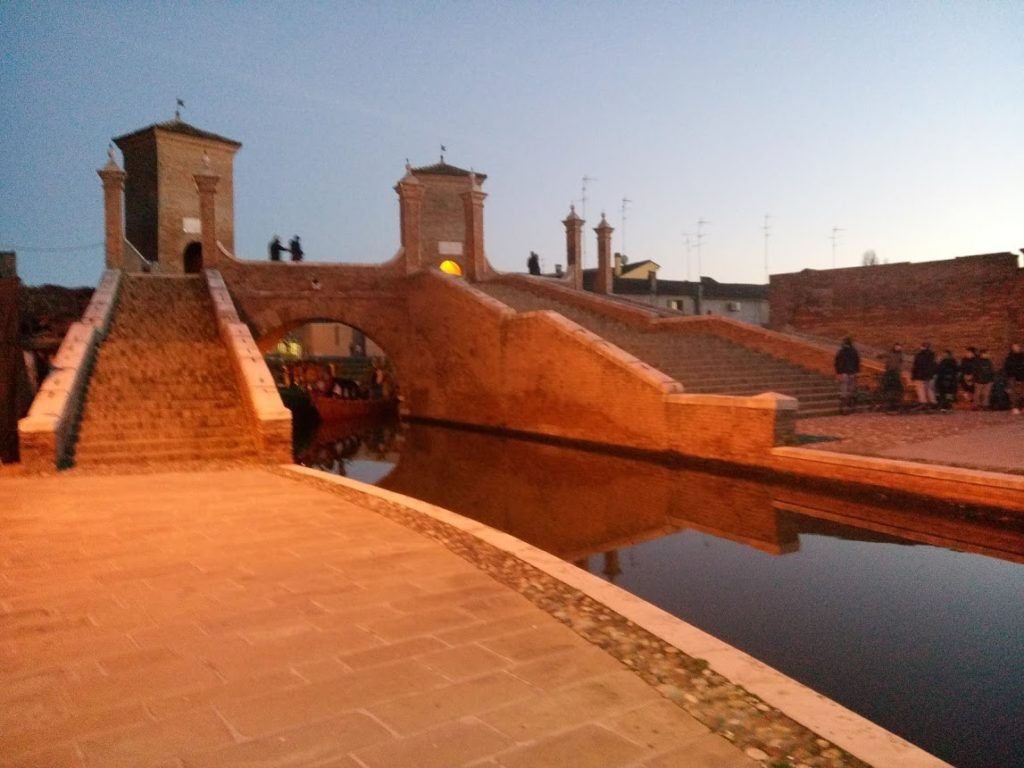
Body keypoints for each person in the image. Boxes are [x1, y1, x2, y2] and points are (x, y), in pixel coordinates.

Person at [834, 337, 860, 415]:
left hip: (844, 371)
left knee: (844, 386)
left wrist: (838, 372)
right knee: (851, 388)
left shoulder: (841, 351)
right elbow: (857, 361)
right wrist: (856, 371)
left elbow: (837, 361)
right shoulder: (854, 351)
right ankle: (850, 401)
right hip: (852, 372)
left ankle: (844, 399)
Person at [910, 342, 937, 409]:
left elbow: (916, 366)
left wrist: (913, 376)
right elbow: (934, 365)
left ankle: (923, 402)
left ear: (922, 347)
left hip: (920, 375)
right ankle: (933, 402)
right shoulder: (932, 355)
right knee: (930, 389)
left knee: (920, 389)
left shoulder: (919, 355)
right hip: (929, 375)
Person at [881, 343, 904, 413]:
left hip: (896, 373)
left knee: (895, 389)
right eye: (897, 347)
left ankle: (894, 404)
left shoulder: (900, 355)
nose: (898, 348)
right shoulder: (891, 353)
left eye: (899, 347)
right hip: (890, 372)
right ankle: (890, 405)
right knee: (890, 388)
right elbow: (885, 356)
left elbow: (899, 362)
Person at [1004, 343, 1024, 415]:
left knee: (1021, 393)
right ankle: (1015, 407)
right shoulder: (1010, 357)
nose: (1015, 348)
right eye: (1014, 347)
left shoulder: (1022, 356)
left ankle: (1022, 407)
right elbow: (1007, 367)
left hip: (1021, 377)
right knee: (1013, 393)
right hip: (1012, 377)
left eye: (1017, 347)